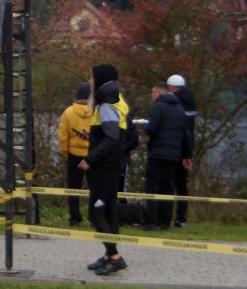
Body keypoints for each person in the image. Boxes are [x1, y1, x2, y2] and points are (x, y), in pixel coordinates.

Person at [78, 64, 132, 276]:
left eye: (91, 78)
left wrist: (90, 158)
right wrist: (91, 138)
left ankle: (116, 257)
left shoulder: (105, 103)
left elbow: (111, 137)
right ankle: (109, 256)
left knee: (95, 211)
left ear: (100, 79)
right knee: (109, 211)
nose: (89, 82)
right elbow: (118, 135)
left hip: (104, 168)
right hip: (113, 164)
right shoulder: (116, 100)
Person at [140, 82, 192, 231]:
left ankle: (152, 222)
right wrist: (186, 155)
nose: (151, 95)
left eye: (152, 93)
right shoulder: (180, 110)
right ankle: (165, 222)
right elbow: (186, 135)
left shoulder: (159, 108)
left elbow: (152, 129)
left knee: (151, 189)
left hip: (157, 154)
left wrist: (143, 125)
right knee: (168, 189)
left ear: (159, 94)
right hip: (173, 157)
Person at [57, 82, 92, 226]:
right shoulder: (96, 111)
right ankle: (95, 217)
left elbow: (63, 136)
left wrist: (67, 153)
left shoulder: (68, 112)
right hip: (93, 156)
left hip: (74, 154)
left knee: (73, 188)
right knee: (95, 189)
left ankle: (75, 218)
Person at [167, 74, 197, 228]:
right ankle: (181, 218)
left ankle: (165, 217)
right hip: (187, 147)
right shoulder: (191, 101)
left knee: (168, 183)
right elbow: (189, 131)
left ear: (171, 87)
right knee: (182, 185)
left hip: (173, 148)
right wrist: (188, 153)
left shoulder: (173, 102)